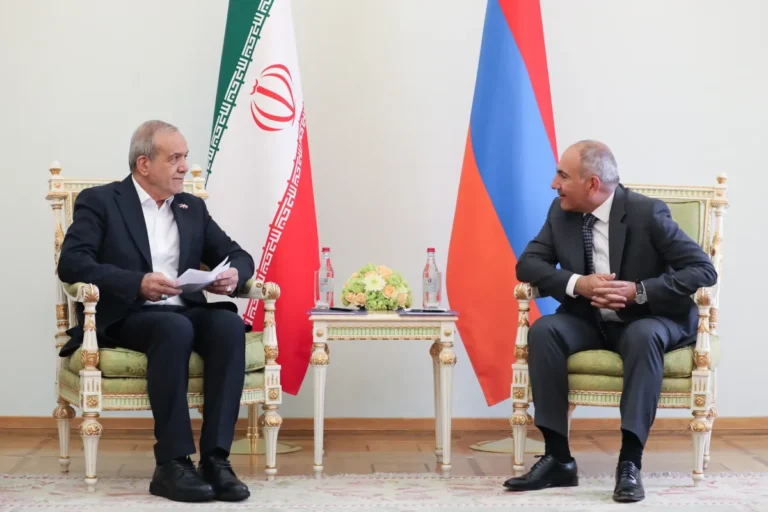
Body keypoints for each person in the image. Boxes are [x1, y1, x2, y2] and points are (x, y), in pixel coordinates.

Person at [503, 140, 717, 503]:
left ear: (592, 184)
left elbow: (702, 269)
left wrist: (639, 291)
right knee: (545, 331)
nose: (554, 184)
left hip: (651, 318)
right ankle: (558, 459)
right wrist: (578, 284)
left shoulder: (646, 213)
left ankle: (629, 463)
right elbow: (528, 265)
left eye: (562, 176)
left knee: (642, 335)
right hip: (589, 320)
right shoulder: (561, 212)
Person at [58, 120, 253, 503]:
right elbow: (72, 263)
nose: (184, 166)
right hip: (126, 315)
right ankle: (172, 464)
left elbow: (238, 255)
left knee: (228, 325)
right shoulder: (101, 201)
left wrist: (232, 275)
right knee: (173, 328)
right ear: (144, 164)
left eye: (185, 157)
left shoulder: (191, 207)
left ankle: (216, 460)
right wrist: (137, 282)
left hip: (183, 310)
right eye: (175, 158)